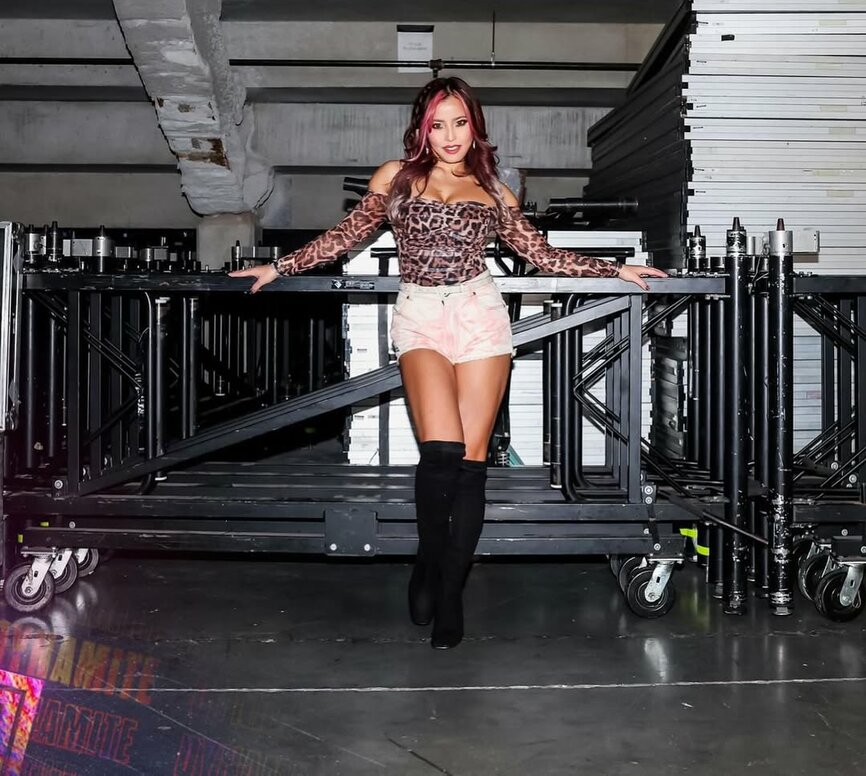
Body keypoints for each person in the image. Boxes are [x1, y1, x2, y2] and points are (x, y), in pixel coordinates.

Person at [230, 77, 667, 649]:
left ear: (475, 126)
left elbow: (541, 255)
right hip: (419, 315)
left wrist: (616, 270)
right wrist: (279, 268)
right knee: (440, 453)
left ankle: (452, 591)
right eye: (438, 125)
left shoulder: (493, 189)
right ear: (422, 130)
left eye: (460, 122)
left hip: (479, 314)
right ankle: (426, 566)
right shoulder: (396, 177)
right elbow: (345, 235)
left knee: (471, 463)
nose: (450, 135)